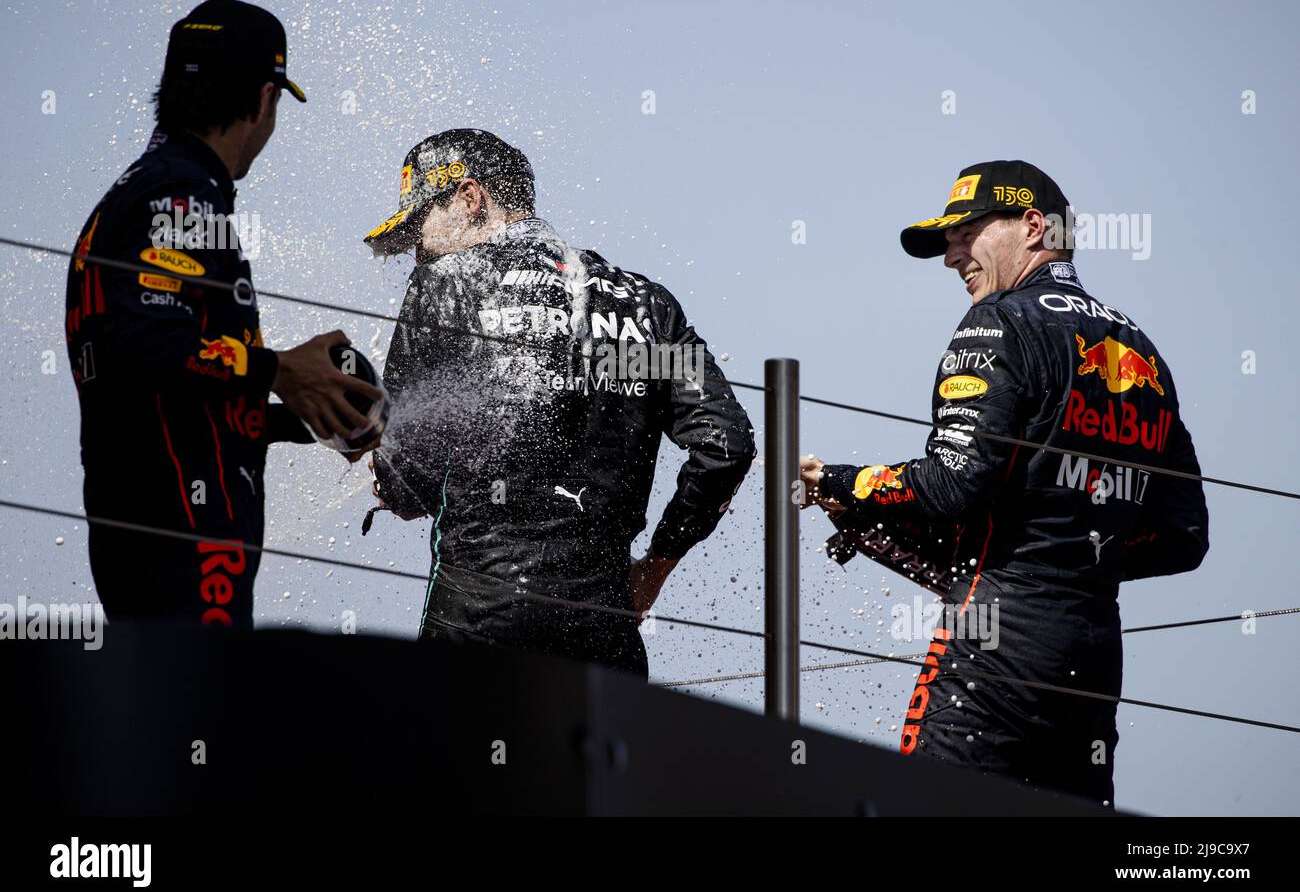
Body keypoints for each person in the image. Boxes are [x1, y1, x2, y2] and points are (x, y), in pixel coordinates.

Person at [800, 160, 1209, 805]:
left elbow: (952, 486)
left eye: (966, 232)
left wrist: (847, 484)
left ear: (1033, 226)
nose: (950, 256)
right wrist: (1070, 557)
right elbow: (1183, 536)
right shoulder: (1140, 349)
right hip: (1092, 663)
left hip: (992, 648)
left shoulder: (999, 321)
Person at [362, 129, 755, 677]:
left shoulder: (444, 285)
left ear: (470, 199)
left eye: (421, 227)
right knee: (589, 765)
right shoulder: (646, 303)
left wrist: (383, 477)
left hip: (478, 621)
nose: (419, 250)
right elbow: (726, 448)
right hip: (605, 629)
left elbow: (410, 477)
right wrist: (654, 570)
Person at [64, 0, 382, 629]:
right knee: (200, 719)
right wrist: (281, 370)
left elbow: (168, 393)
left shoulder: (146, 188)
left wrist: (306, 414)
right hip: (185, 544)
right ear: (265, 100)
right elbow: (146, 346)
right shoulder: (181, 192)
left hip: (155, 536)